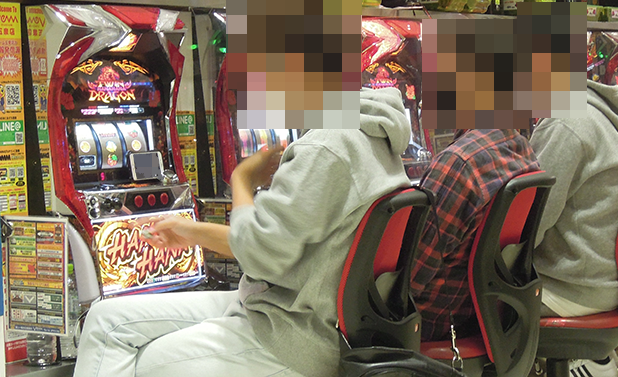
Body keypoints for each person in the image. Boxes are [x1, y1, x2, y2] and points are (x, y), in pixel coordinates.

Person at [73, 87, 412, 377]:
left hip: (297, 333)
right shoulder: (370, 131)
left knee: (145, 363)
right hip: (288, 305)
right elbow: (276, 244)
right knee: (105, 320)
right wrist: (191, 230)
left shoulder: (329, 147)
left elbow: (261, 254)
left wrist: (241, 180)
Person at [531, 77, 618, 377]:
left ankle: (579, 363)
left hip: (573, 290)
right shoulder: (601, 117)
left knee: (465, 301)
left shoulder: (564, 122)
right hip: (605, 284)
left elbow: (529, 228)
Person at [411, 129, 539, 341]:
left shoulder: (459, 163)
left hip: (437, 324)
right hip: (493, 315)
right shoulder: (519, 145)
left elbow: (410, 276)